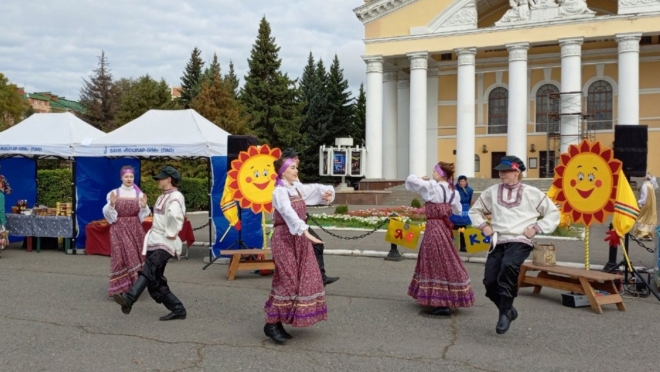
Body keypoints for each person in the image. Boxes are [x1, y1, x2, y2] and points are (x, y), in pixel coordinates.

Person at [469, 156, 559, 334]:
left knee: (509, 265)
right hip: (499, 239)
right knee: (489, 281)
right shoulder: (492, 191)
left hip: (520, 239)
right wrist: (484, 226)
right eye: (500, 171)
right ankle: (509, 310)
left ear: (517, 172)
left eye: (505, 171)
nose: (501, 174)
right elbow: (475, 210)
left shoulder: (531, 192)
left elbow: (553, 212)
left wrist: (536, 228)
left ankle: (503, 313)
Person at [263, 156, 335, 344]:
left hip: (298, 239)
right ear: (283, 171)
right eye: (293, 168)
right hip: (284, 239)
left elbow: (315, 190)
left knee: (302, 278)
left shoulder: (295, 187)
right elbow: (288, 212)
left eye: (296, 168)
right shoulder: (279, 191)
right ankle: (271, 323)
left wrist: (326, 193)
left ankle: (279, 321)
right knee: (287, 280)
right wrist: (305, 231)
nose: (296, 171)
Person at [113, 166, 187, 321]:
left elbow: (176, 215)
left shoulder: (176, 196)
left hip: (166, 241)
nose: (158, 180)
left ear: (169, 179)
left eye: (161, 178)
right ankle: (178, 309)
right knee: (154, 281)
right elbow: (161, 214)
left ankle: (129, 298)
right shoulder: (162, 196)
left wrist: (172, 232)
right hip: (155, 239)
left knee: (150, 267)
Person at [405, 162, 475, 316]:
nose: (432, 174)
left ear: (441, 174)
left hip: (433, 228)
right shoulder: (453, 192)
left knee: (434, 260)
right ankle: (447, 296)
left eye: (435, 172)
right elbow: (457, 209)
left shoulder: (433, 186)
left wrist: (419, 178)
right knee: (446, 259)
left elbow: (410, 181)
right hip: (444, 228)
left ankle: (441, 302)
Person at [281, 148, 339, 286]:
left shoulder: (293, 181)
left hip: (296, 224)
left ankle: (315, 277)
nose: (298, 163)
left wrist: (324, 193)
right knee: (312, 246)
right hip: (288, 226)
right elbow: (287, 209)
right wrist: (302, 228)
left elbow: (307, 191)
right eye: (295, 160)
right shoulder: (280, 187)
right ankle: (315, 278)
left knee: (312, 247)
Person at [102, 166, 150, 297]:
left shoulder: (139, 194)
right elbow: (107, 214)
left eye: (131, 177)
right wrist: (111, 204)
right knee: (120, 256)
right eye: (126, 177)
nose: (129, 179)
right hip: (118, 227)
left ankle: (134, 287)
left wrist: (145, 206)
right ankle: (120, 287)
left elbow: (143, 214)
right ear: (121, 178)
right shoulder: (114, 193)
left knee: (135, 256)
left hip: (135, 228)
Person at [450, 175, 474, 252]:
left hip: (465, 210)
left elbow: (469, 199)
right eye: (461, 181)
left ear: (466, 181)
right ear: (458, 182)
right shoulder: (454, 189)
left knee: (463, 228)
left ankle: (463, 246)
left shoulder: (470, 190)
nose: (462, 183)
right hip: (456, 209)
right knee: (455, 228)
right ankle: (454, 245)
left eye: (464, 181)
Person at [633, 173, 658, 241]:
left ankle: (641, 233)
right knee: (649, 218)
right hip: (651, 205)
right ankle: (649, 234)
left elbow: (644, 196)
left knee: (641, 217)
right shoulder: (650, 185)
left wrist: (640, 203)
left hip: (645, 204)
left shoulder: (645, 185)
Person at [0, 167, 10, 258]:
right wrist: (3, 221)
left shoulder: (2, 177)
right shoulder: (1, 196)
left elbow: (9, 190)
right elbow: (1, 210)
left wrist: (8, 190)